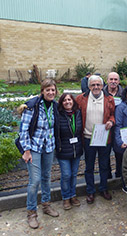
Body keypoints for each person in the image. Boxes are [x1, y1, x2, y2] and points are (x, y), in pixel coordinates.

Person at [18, 79, 60, 229]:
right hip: (34, 148)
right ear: (42, 91)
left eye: (53, 90)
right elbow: (23, 130)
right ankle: (31, 212)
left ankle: (46, 205)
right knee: (35, 181)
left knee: (47, 177)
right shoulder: (32, 106)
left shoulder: (54, 106)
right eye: (47, 90)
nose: (50, 93)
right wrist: (26, 151)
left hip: (48, 147)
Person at [76, 75, 115, 204]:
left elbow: (113, 115)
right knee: (89, 167)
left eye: (98, 84)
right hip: (88, 138)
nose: (96, 87)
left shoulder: (109, 99)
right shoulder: (81, 99)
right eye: (93, 85)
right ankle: (90, 191)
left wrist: (111, 121)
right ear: (89, 86)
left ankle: (104, 189)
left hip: (104, 138)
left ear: (102, 86)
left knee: (104, 166)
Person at [56, 93, 83, 210]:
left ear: (73, 101)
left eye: (70, 99)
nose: (67, 102)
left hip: (76, 149)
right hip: (63, 150)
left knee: (74, 174)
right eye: (65, 100)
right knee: (66, 175)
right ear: (61, 102)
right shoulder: (58, 115)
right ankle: (66, 197)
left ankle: (73, 195)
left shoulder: (78, 113)